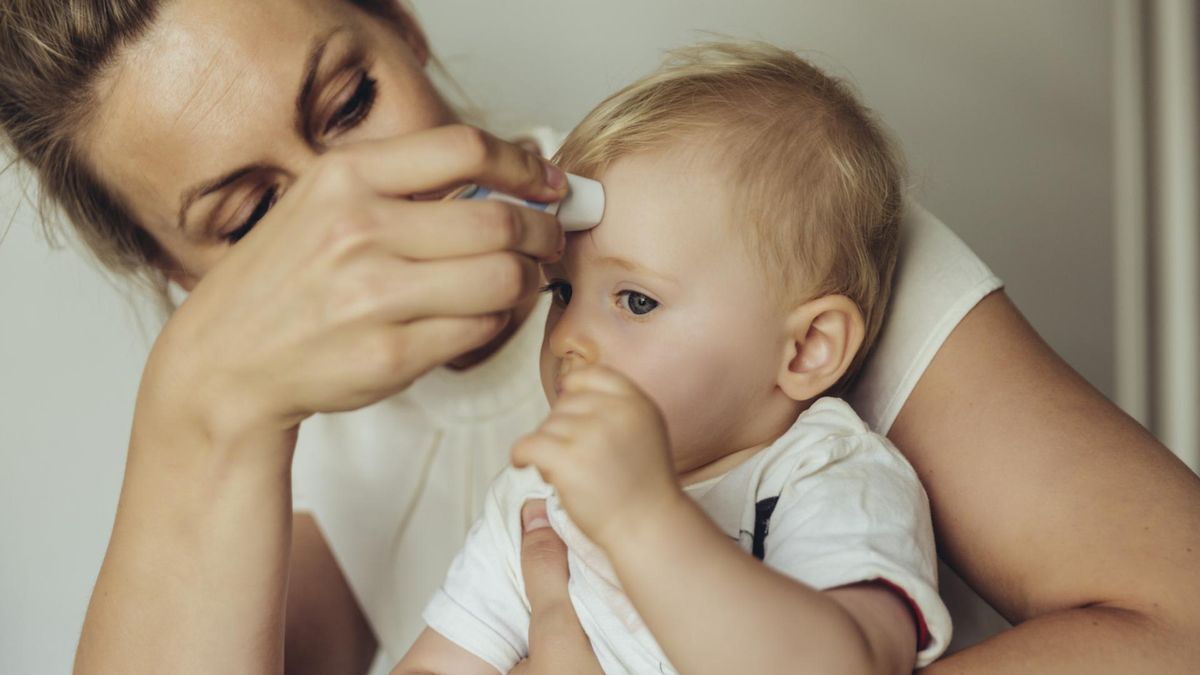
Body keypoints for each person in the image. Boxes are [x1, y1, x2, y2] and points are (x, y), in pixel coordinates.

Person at [0, 1, 1196, 674]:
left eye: (351, 102)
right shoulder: (293, 477)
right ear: (181, 276)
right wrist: (198, 411)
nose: (353, 217)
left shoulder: (747, 220)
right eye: (254, 217)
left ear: (403, 29)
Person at [396, 42, 952, 675]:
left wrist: (643, 518)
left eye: (636, 300)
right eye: (563, 291)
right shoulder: (537, 495)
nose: (569, 336)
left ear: (805, 348)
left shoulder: (825, 476)